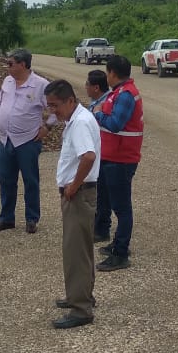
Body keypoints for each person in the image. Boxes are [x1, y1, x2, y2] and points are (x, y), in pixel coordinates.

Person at [44, 78, 101, 329]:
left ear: (70, 100)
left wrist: (73, 186)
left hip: (78, 195)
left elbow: (88, 156)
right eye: (49, 106)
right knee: (81, 248)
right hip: (79, 193)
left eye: (55, 105)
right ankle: (81, 295)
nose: (52, 111)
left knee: (75, 252)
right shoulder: (77, 118)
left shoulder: (79, 123)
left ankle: (81, 309)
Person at [0, 49, 54, 234]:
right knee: (6, 180)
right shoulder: (7, 81)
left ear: (23, 64)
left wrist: (47, 127)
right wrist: (2, 115)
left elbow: (55, 108)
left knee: (30, 180)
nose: (7, 67)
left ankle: (32, 218)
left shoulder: (41, 85)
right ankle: (6, 218)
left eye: (10, 63)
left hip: (27, 141)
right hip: (5, 139)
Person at [92, 55, 143, 271]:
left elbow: (115, 124)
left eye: (107, 72)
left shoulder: (126, 95)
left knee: (122, 208)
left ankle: (121, 253)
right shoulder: (119, 92)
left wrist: (97, 115)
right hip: (111, 156)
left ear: (112, 73)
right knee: (107, 200)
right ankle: (113, 241)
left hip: (121, 159)